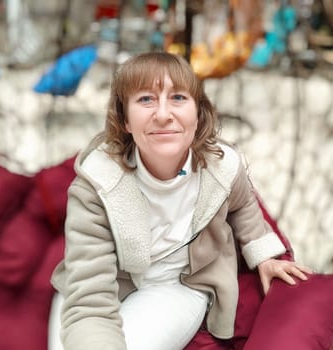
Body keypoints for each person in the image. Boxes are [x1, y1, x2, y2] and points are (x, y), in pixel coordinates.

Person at [51, 51, 311, 350]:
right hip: (108, 282)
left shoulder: (223, 167)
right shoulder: (96, 184)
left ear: (198, 113)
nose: (163, 114)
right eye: (146, 99)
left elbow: (243, 205)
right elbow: (89, 301)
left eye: (177, 98)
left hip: (175, 286)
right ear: (124, 120)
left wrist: (263, 254)